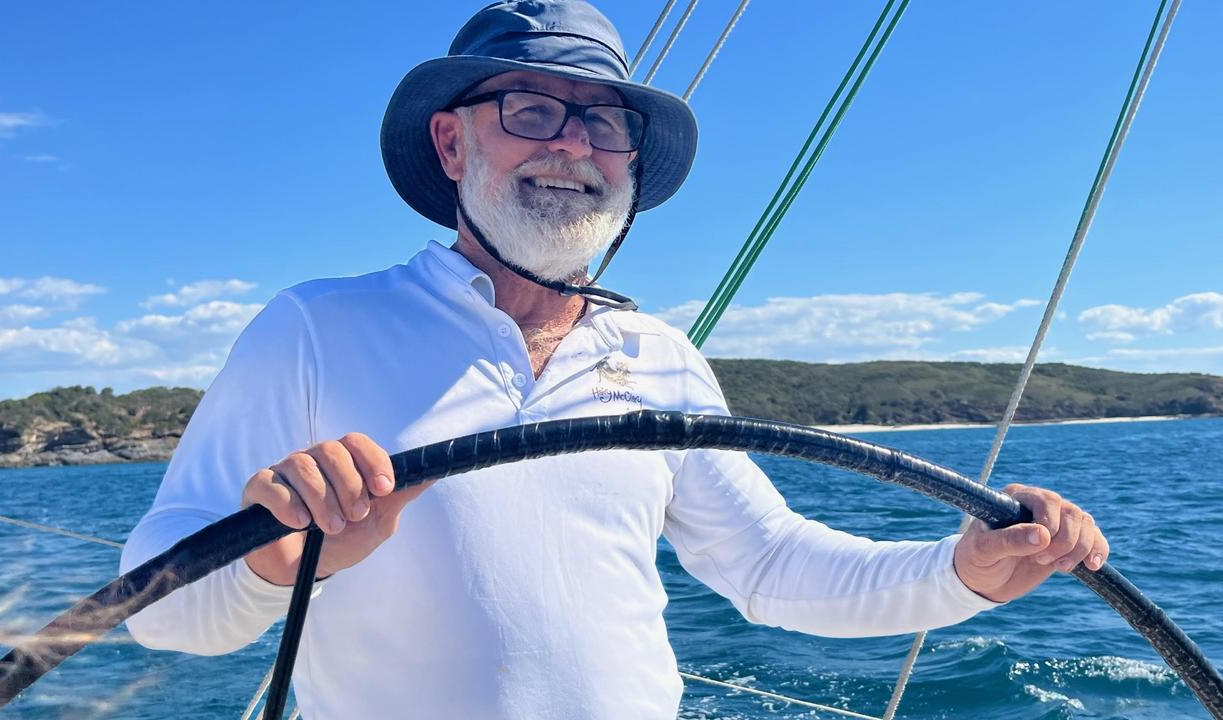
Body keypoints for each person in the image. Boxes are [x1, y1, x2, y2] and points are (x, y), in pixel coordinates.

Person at [121, 2, 1110, 718]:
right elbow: (156, 618)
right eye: (532, 111)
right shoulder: (315, 326)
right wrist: (269, 561)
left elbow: (768, 567)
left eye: (603, 120)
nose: (575, 146)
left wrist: (963, 571)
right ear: (451, 143)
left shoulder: (658, 354)